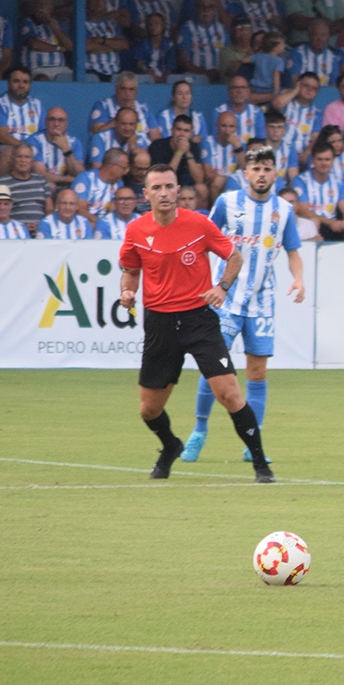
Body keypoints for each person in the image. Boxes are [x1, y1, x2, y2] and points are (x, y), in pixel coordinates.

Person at [116, 164, 272, 481]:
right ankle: (170, 445)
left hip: (198, 320)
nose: (164, 193)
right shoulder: (135, 230)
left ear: (178, 190)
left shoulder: (199, 224)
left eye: (169, 186)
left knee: (229, 394)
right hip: (159, 324)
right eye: (156, 188)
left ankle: (260, 464)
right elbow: (131, 270)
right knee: (149, 410)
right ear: (145, 194)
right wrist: (127, 290)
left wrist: (222, 287)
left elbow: (235, 257)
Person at [179, 144, 305, 465]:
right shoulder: (227, 202)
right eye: (256, 169)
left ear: (275, 173)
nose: (261, 174)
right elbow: (205, 241)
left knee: (257, 373)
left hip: (262, 302)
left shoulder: (284, 211)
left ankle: (253, 442)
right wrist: (203, 281)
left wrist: (299, 279)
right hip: (226, 299)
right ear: (245, 173)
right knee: (214, 369)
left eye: (267, 169)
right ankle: (199, 431)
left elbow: (292, 251)